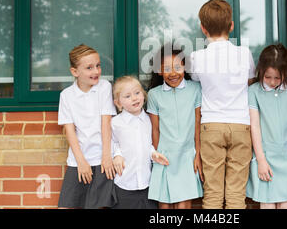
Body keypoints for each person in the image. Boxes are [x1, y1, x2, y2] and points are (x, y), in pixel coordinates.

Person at [188, 0, 255, 209]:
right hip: (241, 125)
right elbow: (250, 79)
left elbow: (195, 81)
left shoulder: (196, 56)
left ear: (203, 28)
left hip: (211, 125)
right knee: (236, 194)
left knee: (213, 193)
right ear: (232, 25)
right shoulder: (244, 53)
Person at [57, 44, 117, 209]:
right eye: (89, 68)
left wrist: (106, 156)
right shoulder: (66, 96)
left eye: (98, 66)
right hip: (79, 159)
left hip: (103, 158)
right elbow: (69, 131)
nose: (96, 71)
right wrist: (81, 162)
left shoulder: (104, 87)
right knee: (66, 205)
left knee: (98, 206)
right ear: (75, 72)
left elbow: (106, 123)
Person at [146, 44, 204, 209]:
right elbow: (154, 129)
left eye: (177, 67)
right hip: (165, 156)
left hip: (187, 155)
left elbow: (198, 124)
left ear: (185, 67)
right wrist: (156, 154)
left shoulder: (195, 89)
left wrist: (197, 154)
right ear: (159, 70)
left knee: (184, 204)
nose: (173, 73)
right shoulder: (154, 95)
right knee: (164, 204)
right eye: (167, 69)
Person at [246, 44, 287, 209]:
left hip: (286, 158)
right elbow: (254, 126)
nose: (272, 82)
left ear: (286, 73)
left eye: (277, 78)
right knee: (267, 204)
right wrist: (261, 160)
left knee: (286, 203)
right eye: (268, 77)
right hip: (265, 158)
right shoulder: (254, 91)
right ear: (261, 71)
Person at [110, 75, 169, 209]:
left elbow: (147, 145)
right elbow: (112, 142)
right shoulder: (115, 123)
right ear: (118, 103)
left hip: (147, 183)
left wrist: (154, 154)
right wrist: (116, 155)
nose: (134, 98)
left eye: (137, 93)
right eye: (128, 96)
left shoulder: (149, 120)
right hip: (124, 183)